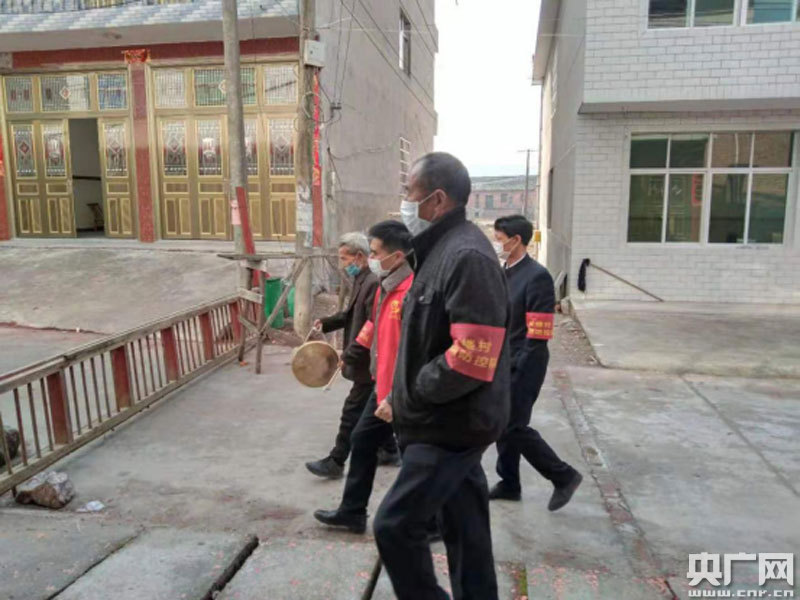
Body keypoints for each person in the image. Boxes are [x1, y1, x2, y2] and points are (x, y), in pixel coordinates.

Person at [373, 152, 510, 600]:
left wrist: (413, 392)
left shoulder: (466, 256)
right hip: (442, 417)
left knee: (395, 526)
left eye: (409, 192)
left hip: (449, 424)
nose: (404, 202)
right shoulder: (436, 250)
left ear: (436, 200)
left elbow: (470, 358)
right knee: (466, 530)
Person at [313, 220, 414, 533]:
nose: (370, 259)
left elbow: (414, 349)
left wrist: (394, 394)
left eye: (375, 253)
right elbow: (371, 325)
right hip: (379, 381)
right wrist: (353, 349)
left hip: (400, 389)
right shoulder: (385, 286)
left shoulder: (411, 291)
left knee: (420, 456)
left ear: (397, 256)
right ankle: (353, 511)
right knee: (362, 438)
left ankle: (430, 520)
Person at [489, 215, 582, 510]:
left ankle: (563, 476)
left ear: (516, 240)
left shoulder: (537, 277)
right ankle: (509, 483)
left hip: (526, 363)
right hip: (503, 360)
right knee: (502, 422)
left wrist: (519, 368)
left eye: (499, 239)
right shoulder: (503, 272)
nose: (496, 244)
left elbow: (538, 334)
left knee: (513, 425)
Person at [306, 233, 399, 479]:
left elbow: (373, 325)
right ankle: (390, 450)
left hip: (368, 361)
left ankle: (336, 461)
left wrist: (350, 354)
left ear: (359, 257)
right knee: (374, 408)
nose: (342, 264)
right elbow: (351, 315)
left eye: (344, 258)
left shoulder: (373, 283)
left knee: (352, 411)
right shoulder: (362, 280)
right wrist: (326, 323)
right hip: (364, 358)